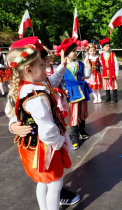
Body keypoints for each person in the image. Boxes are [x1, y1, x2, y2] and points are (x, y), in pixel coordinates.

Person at [5, 37, 81, 206]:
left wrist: (61, 66)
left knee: (45, 182)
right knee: (54, 182)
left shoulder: (34, 83)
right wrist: (13, 125)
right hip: (45, 146)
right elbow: (13, 113)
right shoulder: (32, 93)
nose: (46, 64)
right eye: (41, 62)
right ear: (28, 68)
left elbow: (50, 83)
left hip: (41, 143)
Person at [58, 38, 92, 150]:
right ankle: (74, 137)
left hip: (81, 90)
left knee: (82, 113)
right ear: (67, 53)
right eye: (73, 51)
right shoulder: (61, 65)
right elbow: (60, 80)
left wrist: (88, 68)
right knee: (74, 115)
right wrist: (63, 89)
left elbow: (86, 76)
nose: (76, 53)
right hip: (71, 92)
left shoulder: (80, 64)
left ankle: (82, 131)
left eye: (76, 50)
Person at [99, 37, 119, 103]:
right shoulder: (101, 55)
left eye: (109, 46)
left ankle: (114, 98)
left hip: (112, 72)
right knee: (106, 85)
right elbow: (101, 64)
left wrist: (117, 71)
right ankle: (108, 97)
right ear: (103, 47)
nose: (108, 47)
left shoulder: (113, 54)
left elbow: (116, 63)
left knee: (113, 84)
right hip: (105, 72)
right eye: (106, 46)